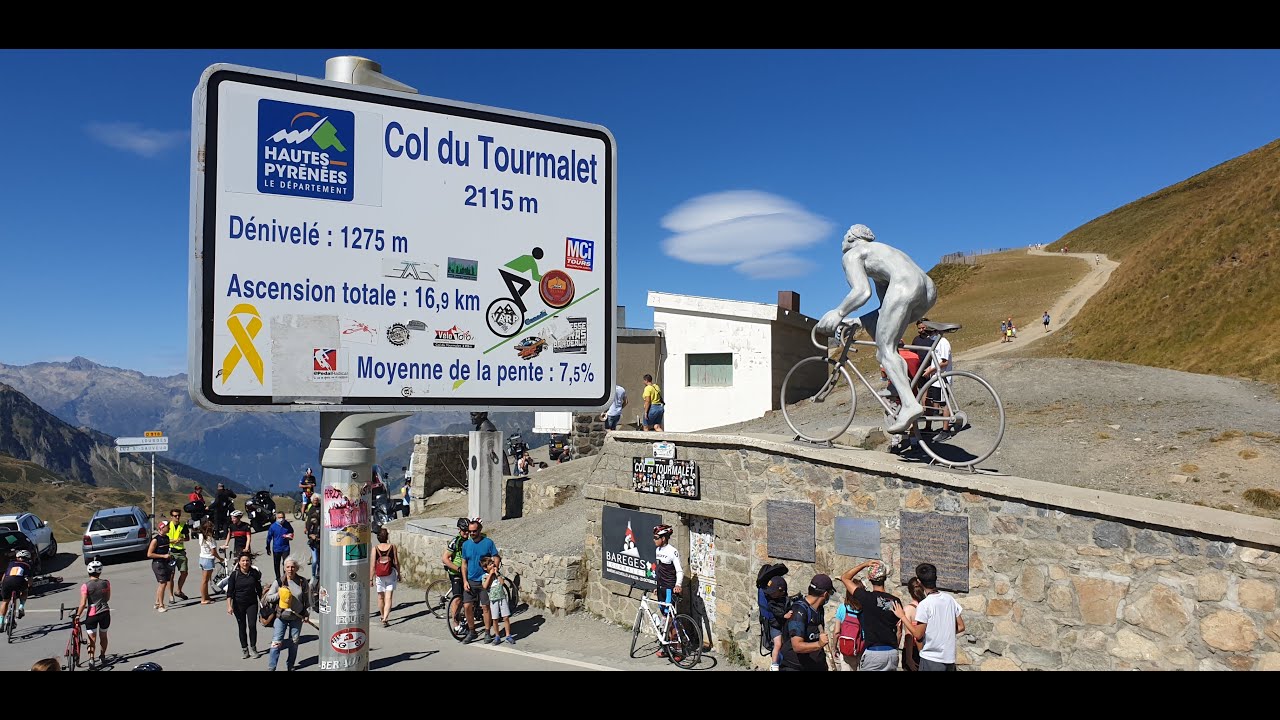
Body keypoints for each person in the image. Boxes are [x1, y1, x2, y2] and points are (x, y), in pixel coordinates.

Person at [815, 224, 938, 434]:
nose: (842, 241)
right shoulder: (882, 253)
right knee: (884, 347)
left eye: (845, 236)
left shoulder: (854, 254)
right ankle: (898, 385)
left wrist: (838, 312)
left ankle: (909, 404)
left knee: (887, 350)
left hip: (905, 285)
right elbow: (885, 310)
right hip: (927, 288)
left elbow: (862, 292)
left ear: (853, 238)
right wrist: (859, 321)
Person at [894, 563, 965, 671]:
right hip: (949, 659)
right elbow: (961, 626)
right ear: (936, 578)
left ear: (918, 581)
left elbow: (918, 634)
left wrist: (902, 617)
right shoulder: (950, 599)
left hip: (931, 659)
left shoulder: (925, 604)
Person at [839, 560, 903, 671]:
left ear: (869, 578)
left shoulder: (865, 598)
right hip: (892, 652)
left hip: (874, 652)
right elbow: (899, 630)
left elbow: (845, 577)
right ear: (885, 578)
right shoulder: (895, 601)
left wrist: (864, 564)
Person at [263, 556, 313, 671]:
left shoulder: (302, 582)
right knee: (276, 643)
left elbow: (307, 600)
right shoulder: (279, 581)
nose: (290, 569)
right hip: (281, 617)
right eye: (288, 567)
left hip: (297, 616)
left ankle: (290, 666)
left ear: (296, 568)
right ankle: (272, 668)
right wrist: (279, 594)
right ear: (284, 568)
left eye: (293, 567)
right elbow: (269, 598)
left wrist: (306, 614)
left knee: (294, 642)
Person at [778, 573, 835, 671]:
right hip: (795, 666)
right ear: (825, 594)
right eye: (830, 593)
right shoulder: (799, 611)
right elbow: (797, 646)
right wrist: (819, 644)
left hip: (814, 665)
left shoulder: (819, 609)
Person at [459, 518, 499, 644]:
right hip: (470, 580)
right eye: (470, 531)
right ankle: (472, 631)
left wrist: (493, 571)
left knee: (486, 607)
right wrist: (464, 580)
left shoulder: (488, 543)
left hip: (484, 581)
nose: (472, 533)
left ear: (480, 530)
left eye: (474, 531)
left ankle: (487, 632)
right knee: (467, 606)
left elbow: (496, 557)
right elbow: (464, 564)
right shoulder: (466, 545)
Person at [915, 320, 954, 440]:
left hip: (942, 378)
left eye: (929, 332)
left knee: (944, 404)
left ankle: (945, 430)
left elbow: (944, 362)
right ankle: (928, 427)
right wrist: (930, 368)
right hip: (935, 379)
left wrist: (930, 370)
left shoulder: (943, 342)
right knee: (932, 402)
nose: (928, 335)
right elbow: (936, 360)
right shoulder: (936, 343)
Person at [225, 551, 265, 659]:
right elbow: (230, 592)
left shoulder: (254, 573)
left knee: (252, 625)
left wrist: (263, 602)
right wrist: (229, 606)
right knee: (242, 627)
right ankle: (245, 649)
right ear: (239, 562)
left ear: (250, 562)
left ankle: (253, 647)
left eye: (247, 561)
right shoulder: (235, 575)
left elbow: (259, 589)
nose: (245, 563)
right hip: (238, 605)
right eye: (243, 561)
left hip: (252, 603)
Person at [652, 524, 684, 658]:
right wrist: (656, 585)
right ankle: (666, 647)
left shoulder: (672, 551)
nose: (654, 540)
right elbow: (659, 570)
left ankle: (679, 649)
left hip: (670, 589)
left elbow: (679, 571)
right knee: (665, 619)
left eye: (656, 537)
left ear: (664, 538)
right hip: (661, 589)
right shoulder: (657, 550)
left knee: (670, 620)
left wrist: (678, 585)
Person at [76, 558, 111, 669]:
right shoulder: (106, 583)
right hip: (105, 612)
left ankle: (91, 659)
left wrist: (78, 615)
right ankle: (102, 656)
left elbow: (82, 604)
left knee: (92, 638)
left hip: (92, 614)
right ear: (100, 572)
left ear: (88, 571)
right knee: (103, 635)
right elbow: (107, 598)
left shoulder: (86, 586)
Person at [441, 517, 469, 633]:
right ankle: (455, 624)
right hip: (455, 572)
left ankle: (466, 619)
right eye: (464, 531)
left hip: (467, 572)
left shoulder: (471, 540)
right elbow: (445, 558)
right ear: (459, 529)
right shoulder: (455, 541)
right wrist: (457, 568)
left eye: (468, 530)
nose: (466, 533)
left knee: (468, 598)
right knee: (457, 598)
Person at [371, 527, 401, 628]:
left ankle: (382, 615)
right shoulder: (392, 547)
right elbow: (396, 562)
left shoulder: (375, 549)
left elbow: (372, 566)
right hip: (390, 574)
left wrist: (371, 578)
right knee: (388, 597)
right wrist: (399, 573)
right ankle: (385, 618)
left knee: (380, 597)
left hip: (379, 576)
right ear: (387, 537)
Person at [482, 555, 515, 645]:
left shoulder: (498, 574)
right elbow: (484, 586)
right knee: (495, 618)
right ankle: (497, 636)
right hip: (493, 600)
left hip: (502, 598)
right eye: (490, 564)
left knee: (506, 617)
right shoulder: (485, 576)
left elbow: (502, 582)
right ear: (485, 568)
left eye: (492, 563)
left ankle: (508, 635)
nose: (492, 565)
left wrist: (497, 574)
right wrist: (491, 575)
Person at [0, 549, 33, 631]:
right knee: (24, 591)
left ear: (17, 557)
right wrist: (29, 586)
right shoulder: (28, 565)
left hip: (7, 582)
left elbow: (4, 575)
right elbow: (30, 579)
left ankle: (1, 622)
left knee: (5, 601)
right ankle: (21, 607)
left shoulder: (11, 564)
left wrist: (2, 584)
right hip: (19, 582)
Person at [147, 520, 175, 613]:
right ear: (162, 527)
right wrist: (163, 556)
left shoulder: (166, 538)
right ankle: (161, 606)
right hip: (158, 564)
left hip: (165, 563)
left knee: (162, 584)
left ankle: (157, 603)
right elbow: (149, 554)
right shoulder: (155, 540)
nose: (169, 528)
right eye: (167, 526)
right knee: (163, 583)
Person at [165, 508, 192, 602]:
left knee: (184, 572)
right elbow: (163, 539)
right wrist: (172, 541)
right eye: (175, 516)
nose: (177, 517)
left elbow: (188, 538)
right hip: (170, 552)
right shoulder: (168, 525)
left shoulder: (183, 525)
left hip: (181, 552)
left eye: (178, 516)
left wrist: (182, 539)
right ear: (171, 517)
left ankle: (179, 590)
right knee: (171, 575)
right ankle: (170, 595)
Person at [900, 577, 926, 671]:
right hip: (926, 649)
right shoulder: (927, 607)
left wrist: (909, 658)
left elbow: (909, 635)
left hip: (913, 651)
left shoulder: (908, 609)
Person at [265, 511, 294, 583]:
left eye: (282, 517)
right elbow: (269, 538)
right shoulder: (273, 526)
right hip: (276, 548)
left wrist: (289, 536)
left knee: (286, 563)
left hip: (285, 548)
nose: (281, 519)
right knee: (276, 563)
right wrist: (268, 547)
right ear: (276, 518)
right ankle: (278, 578)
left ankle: (285, 578)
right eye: (279, 517)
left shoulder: (287, 524)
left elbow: (291, 532)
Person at [197, 519, 222, 604]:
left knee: (205, 580)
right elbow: (213, 552)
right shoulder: (210, 539)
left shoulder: (201, 536)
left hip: (202, 558)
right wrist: (220, 558)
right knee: (205, 580)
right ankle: (203, 599)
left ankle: (206, 595)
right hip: (208, 559)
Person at [304, 499, 322, 577]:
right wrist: (311, 535)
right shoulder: (310, 525)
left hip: (320, 543)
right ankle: (313, 575)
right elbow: (309, 533)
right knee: (314, 561)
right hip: (313, 543)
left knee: (319, 561)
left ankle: (318, 573)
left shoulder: (321, 525)